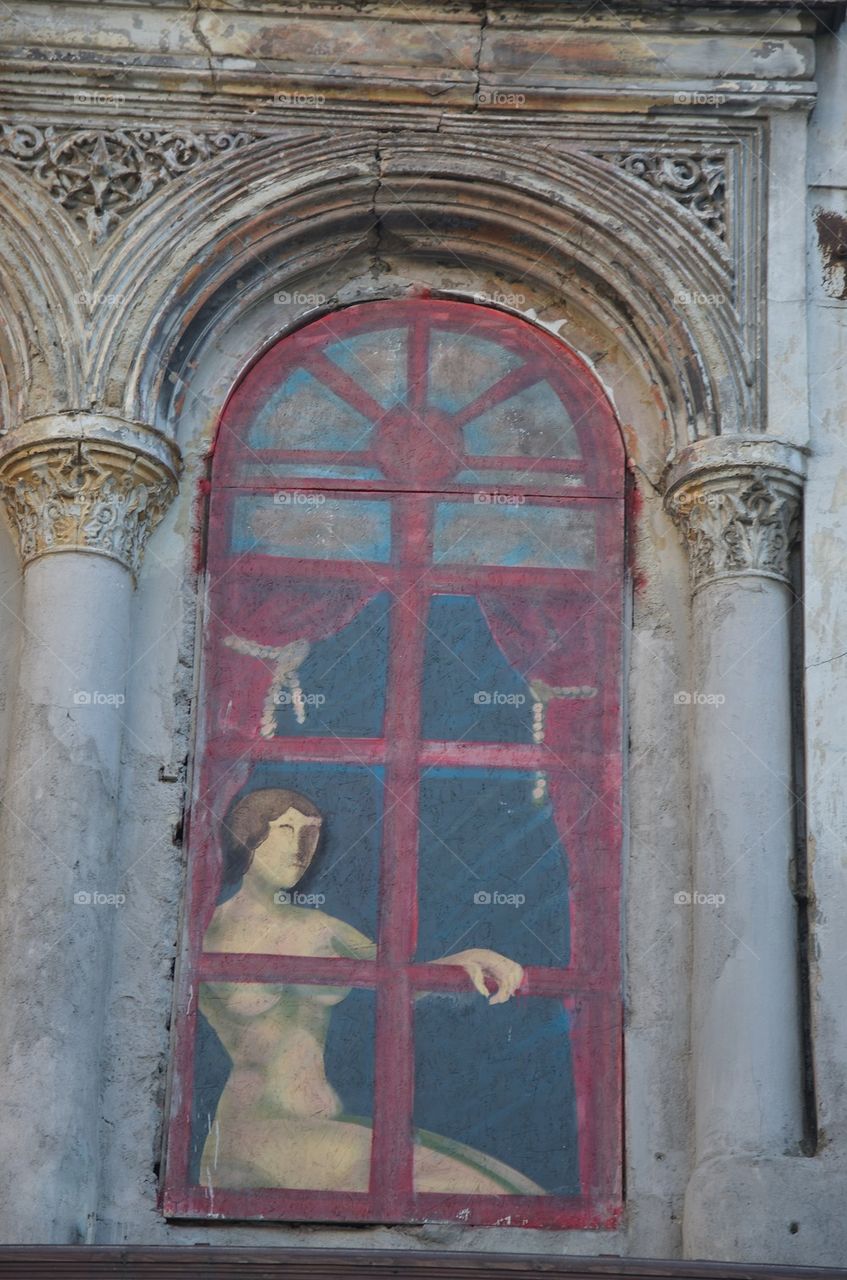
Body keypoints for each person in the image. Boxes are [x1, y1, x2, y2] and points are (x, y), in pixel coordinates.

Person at [199, 787, 543, 1194]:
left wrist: (470, 955)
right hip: (253, 1133)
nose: (301, 848)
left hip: (322, 1125)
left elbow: (402, 979)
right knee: (467, 1189)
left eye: (311, 833)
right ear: (250, 836)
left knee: (514, 1188)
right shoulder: (210, 930)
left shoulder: (320, 927)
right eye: (286, 830)